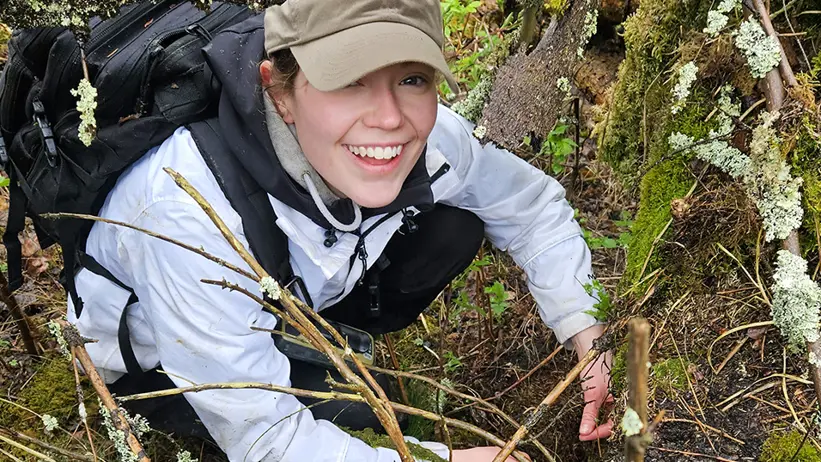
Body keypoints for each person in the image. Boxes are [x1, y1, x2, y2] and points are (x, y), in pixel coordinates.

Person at [67, 0, 613, 460]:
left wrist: (588, 336)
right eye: (348, 81)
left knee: (453, 228)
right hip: (164, 361)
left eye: (412, 78)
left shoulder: (428, 139)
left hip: (295, 296)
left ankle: (332, 344)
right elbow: (267, 439)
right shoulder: (185, 207)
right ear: (279, 92)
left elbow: (533, 208)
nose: (389, 118)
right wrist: (438, 459)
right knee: (371, 414)